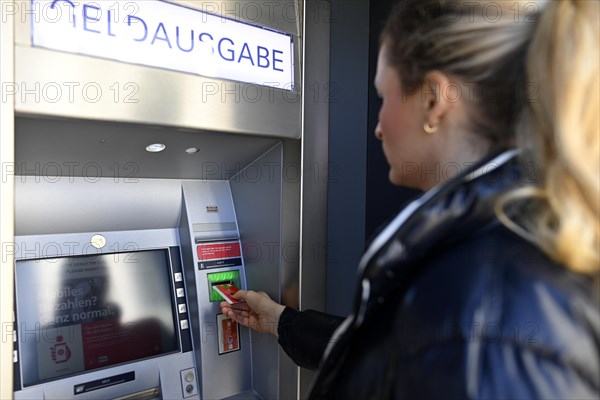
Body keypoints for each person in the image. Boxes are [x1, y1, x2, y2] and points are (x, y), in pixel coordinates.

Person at [221, 1, 600, 398]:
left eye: (383, 96)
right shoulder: (504, 242)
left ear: (434, 102)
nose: (379, 126)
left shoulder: (482, 302)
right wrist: (282, 323)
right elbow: (403, 359)